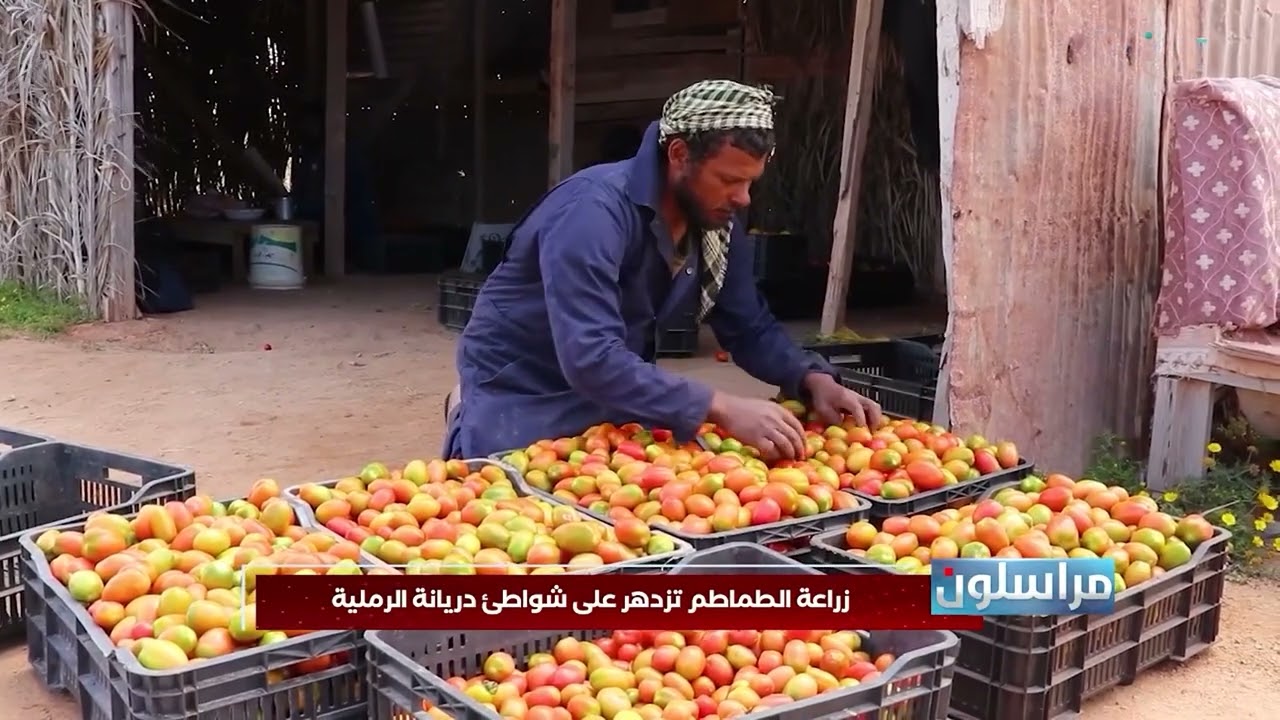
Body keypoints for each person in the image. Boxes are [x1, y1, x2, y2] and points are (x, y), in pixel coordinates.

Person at [443, 80, 881, 460]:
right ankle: (466, 413)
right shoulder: (592, 213)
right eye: (730, 180)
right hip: (527, 388)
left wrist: (809, 376)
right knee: (512, 481)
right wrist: (721, 405)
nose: (744, 198)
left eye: (751, 182)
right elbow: (590, 357)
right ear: (678, 154)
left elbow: (748, 327)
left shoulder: (715, 222)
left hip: (611, 397)